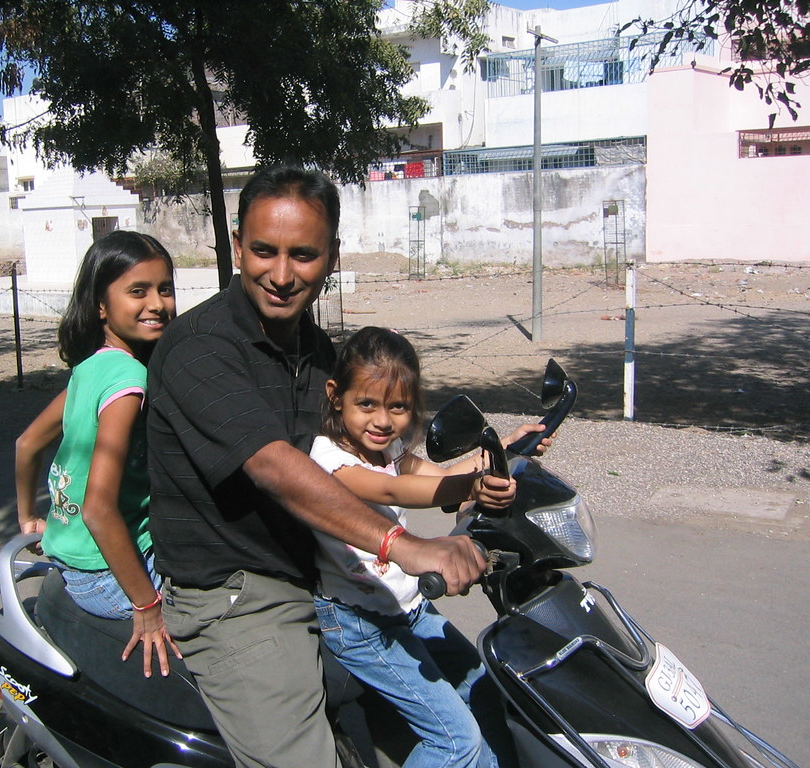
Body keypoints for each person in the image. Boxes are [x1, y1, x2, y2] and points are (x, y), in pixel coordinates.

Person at [146, 164, 491, 768]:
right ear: (236, 248)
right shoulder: (198, 348)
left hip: (328, 581)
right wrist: (404, 545)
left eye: (302, 255)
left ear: (331, 257)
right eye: (263, 251)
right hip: (241, 594)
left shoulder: (318, 352)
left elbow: (376, 457)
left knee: (483, 700)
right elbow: (275, 466)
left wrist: (475, 474)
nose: (280, 275)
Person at [312, 327, 550, 768]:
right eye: (367, 404)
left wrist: (505, 449)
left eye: (398, 407)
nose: (383, 421)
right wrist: (471, 486)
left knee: (485, 693)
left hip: (408, 608)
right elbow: (395, 492)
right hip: (360, 623)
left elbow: (436, 477)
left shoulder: (387, 448)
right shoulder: (328, 460)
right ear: (335, 395)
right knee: (455, 742)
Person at [15, 230, 181, 679]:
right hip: (111, 576)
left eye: (164, 288)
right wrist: (146, 605)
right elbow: (98, 509)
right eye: (137, 291)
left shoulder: (91, 367)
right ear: (101, 306)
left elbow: (27, 444)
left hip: (71, 559)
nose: (157, 303)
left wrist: (29, 516)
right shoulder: (129, 381)